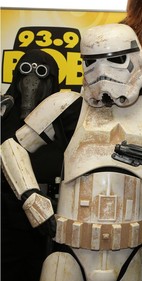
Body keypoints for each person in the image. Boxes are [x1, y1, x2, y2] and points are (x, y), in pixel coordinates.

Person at [1, 24, 142, 281]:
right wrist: (31, 198)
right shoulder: (65, 106)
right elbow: (12, 147)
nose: (102, 72)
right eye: (92, 62)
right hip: (68, 250)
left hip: (131, 252)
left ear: (136, 58)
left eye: (115, 59)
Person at [1, 49, 81, 281]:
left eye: (41, 73)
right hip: (7, 222)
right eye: (26, 71)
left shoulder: (65, 120)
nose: (31, 82)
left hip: (51, 221)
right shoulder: (4, 115)